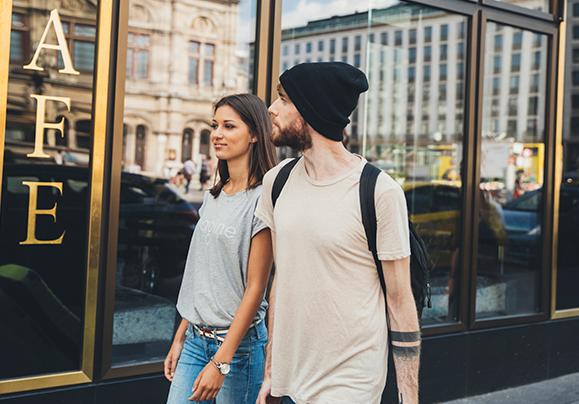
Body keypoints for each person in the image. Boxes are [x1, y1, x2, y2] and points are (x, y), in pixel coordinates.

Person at [254, 62, 421, 404]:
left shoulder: (378, 191)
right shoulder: (277, 182)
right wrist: (271, 370)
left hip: (350, 382)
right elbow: (281, 281)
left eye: (283, 99)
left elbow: (400, 300)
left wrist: (409, 394)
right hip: (290, 379)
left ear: (312, 111)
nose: (271, 109)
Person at [165, 93, 278, 404]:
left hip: (239, 347)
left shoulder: (263, 199)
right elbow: (202, 276)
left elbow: (256, 289)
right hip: (195, 340)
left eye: (229, 126)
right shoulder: (213, 195)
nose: (217, 134)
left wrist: (221, 361)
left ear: (255, 134)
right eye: (215, 125)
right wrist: (179, 338)